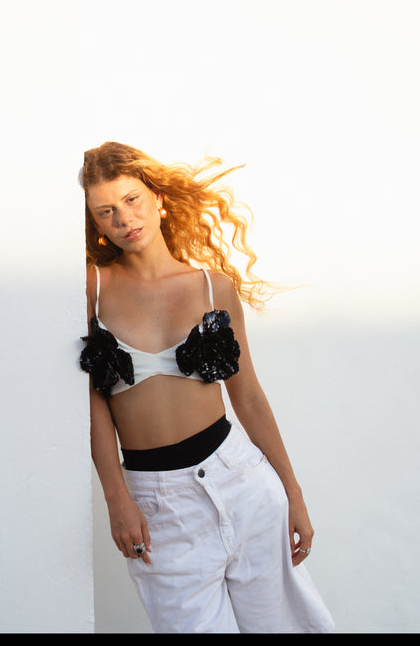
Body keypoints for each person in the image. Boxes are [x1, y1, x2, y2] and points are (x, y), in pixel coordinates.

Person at [79, 141, 334, 633]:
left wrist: (293, 493)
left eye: (131, 200)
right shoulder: (92, 290)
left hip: (241, 480)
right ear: (96, 224)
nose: (124, 219)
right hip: (157, 502)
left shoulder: (214, 287)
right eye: (105, 211)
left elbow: (248, 396)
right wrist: (117, 497)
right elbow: (93, 405)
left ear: (158, 199)